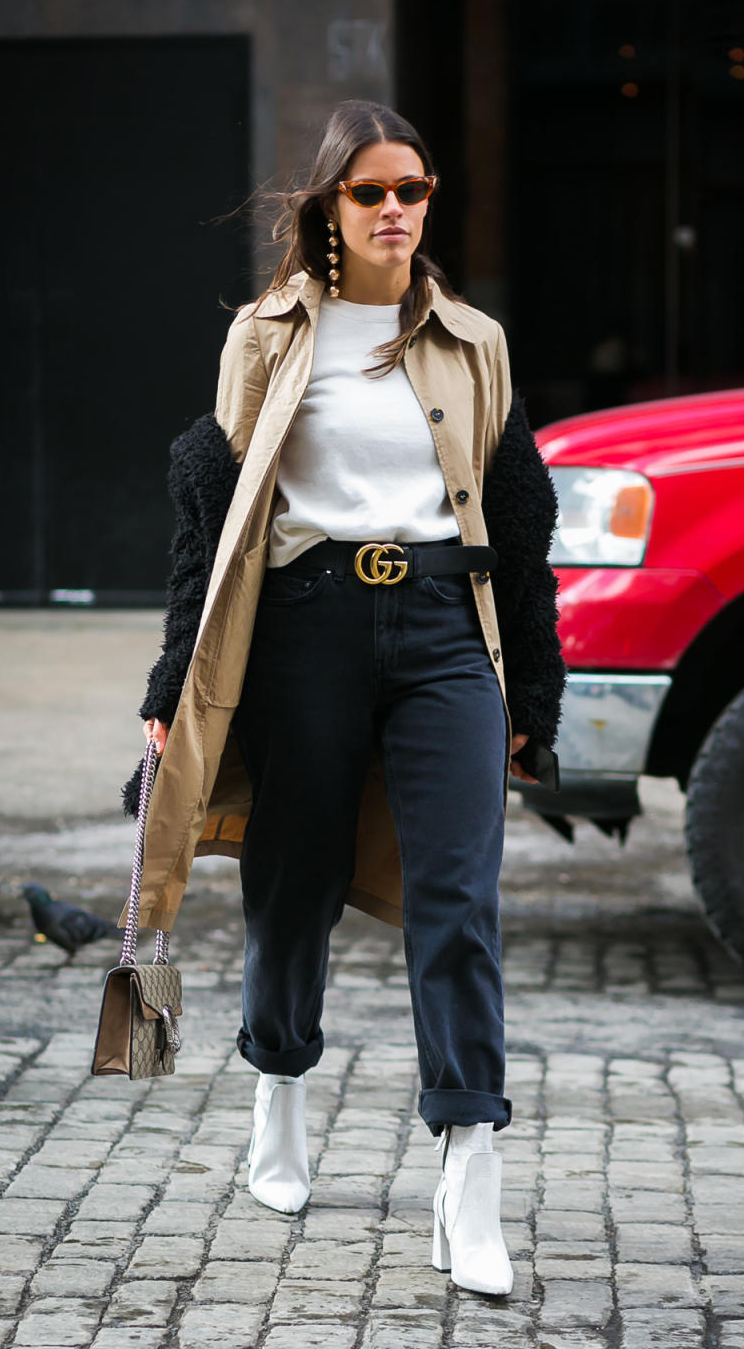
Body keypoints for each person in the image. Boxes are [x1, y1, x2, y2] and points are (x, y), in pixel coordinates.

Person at [123, 100, 565, 1297]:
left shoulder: (476, 340)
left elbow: (521, 523)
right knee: (292, 883)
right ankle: (278, 1085)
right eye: (369, 192)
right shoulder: (266, 336)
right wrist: (174, 679)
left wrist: (535, 681)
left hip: (442, 634)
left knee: (459, 902)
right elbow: (205, 521)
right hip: (302, 630)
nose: (393, 211)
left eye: (412, 191)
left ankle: (470, 1175)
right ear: (328, 207)